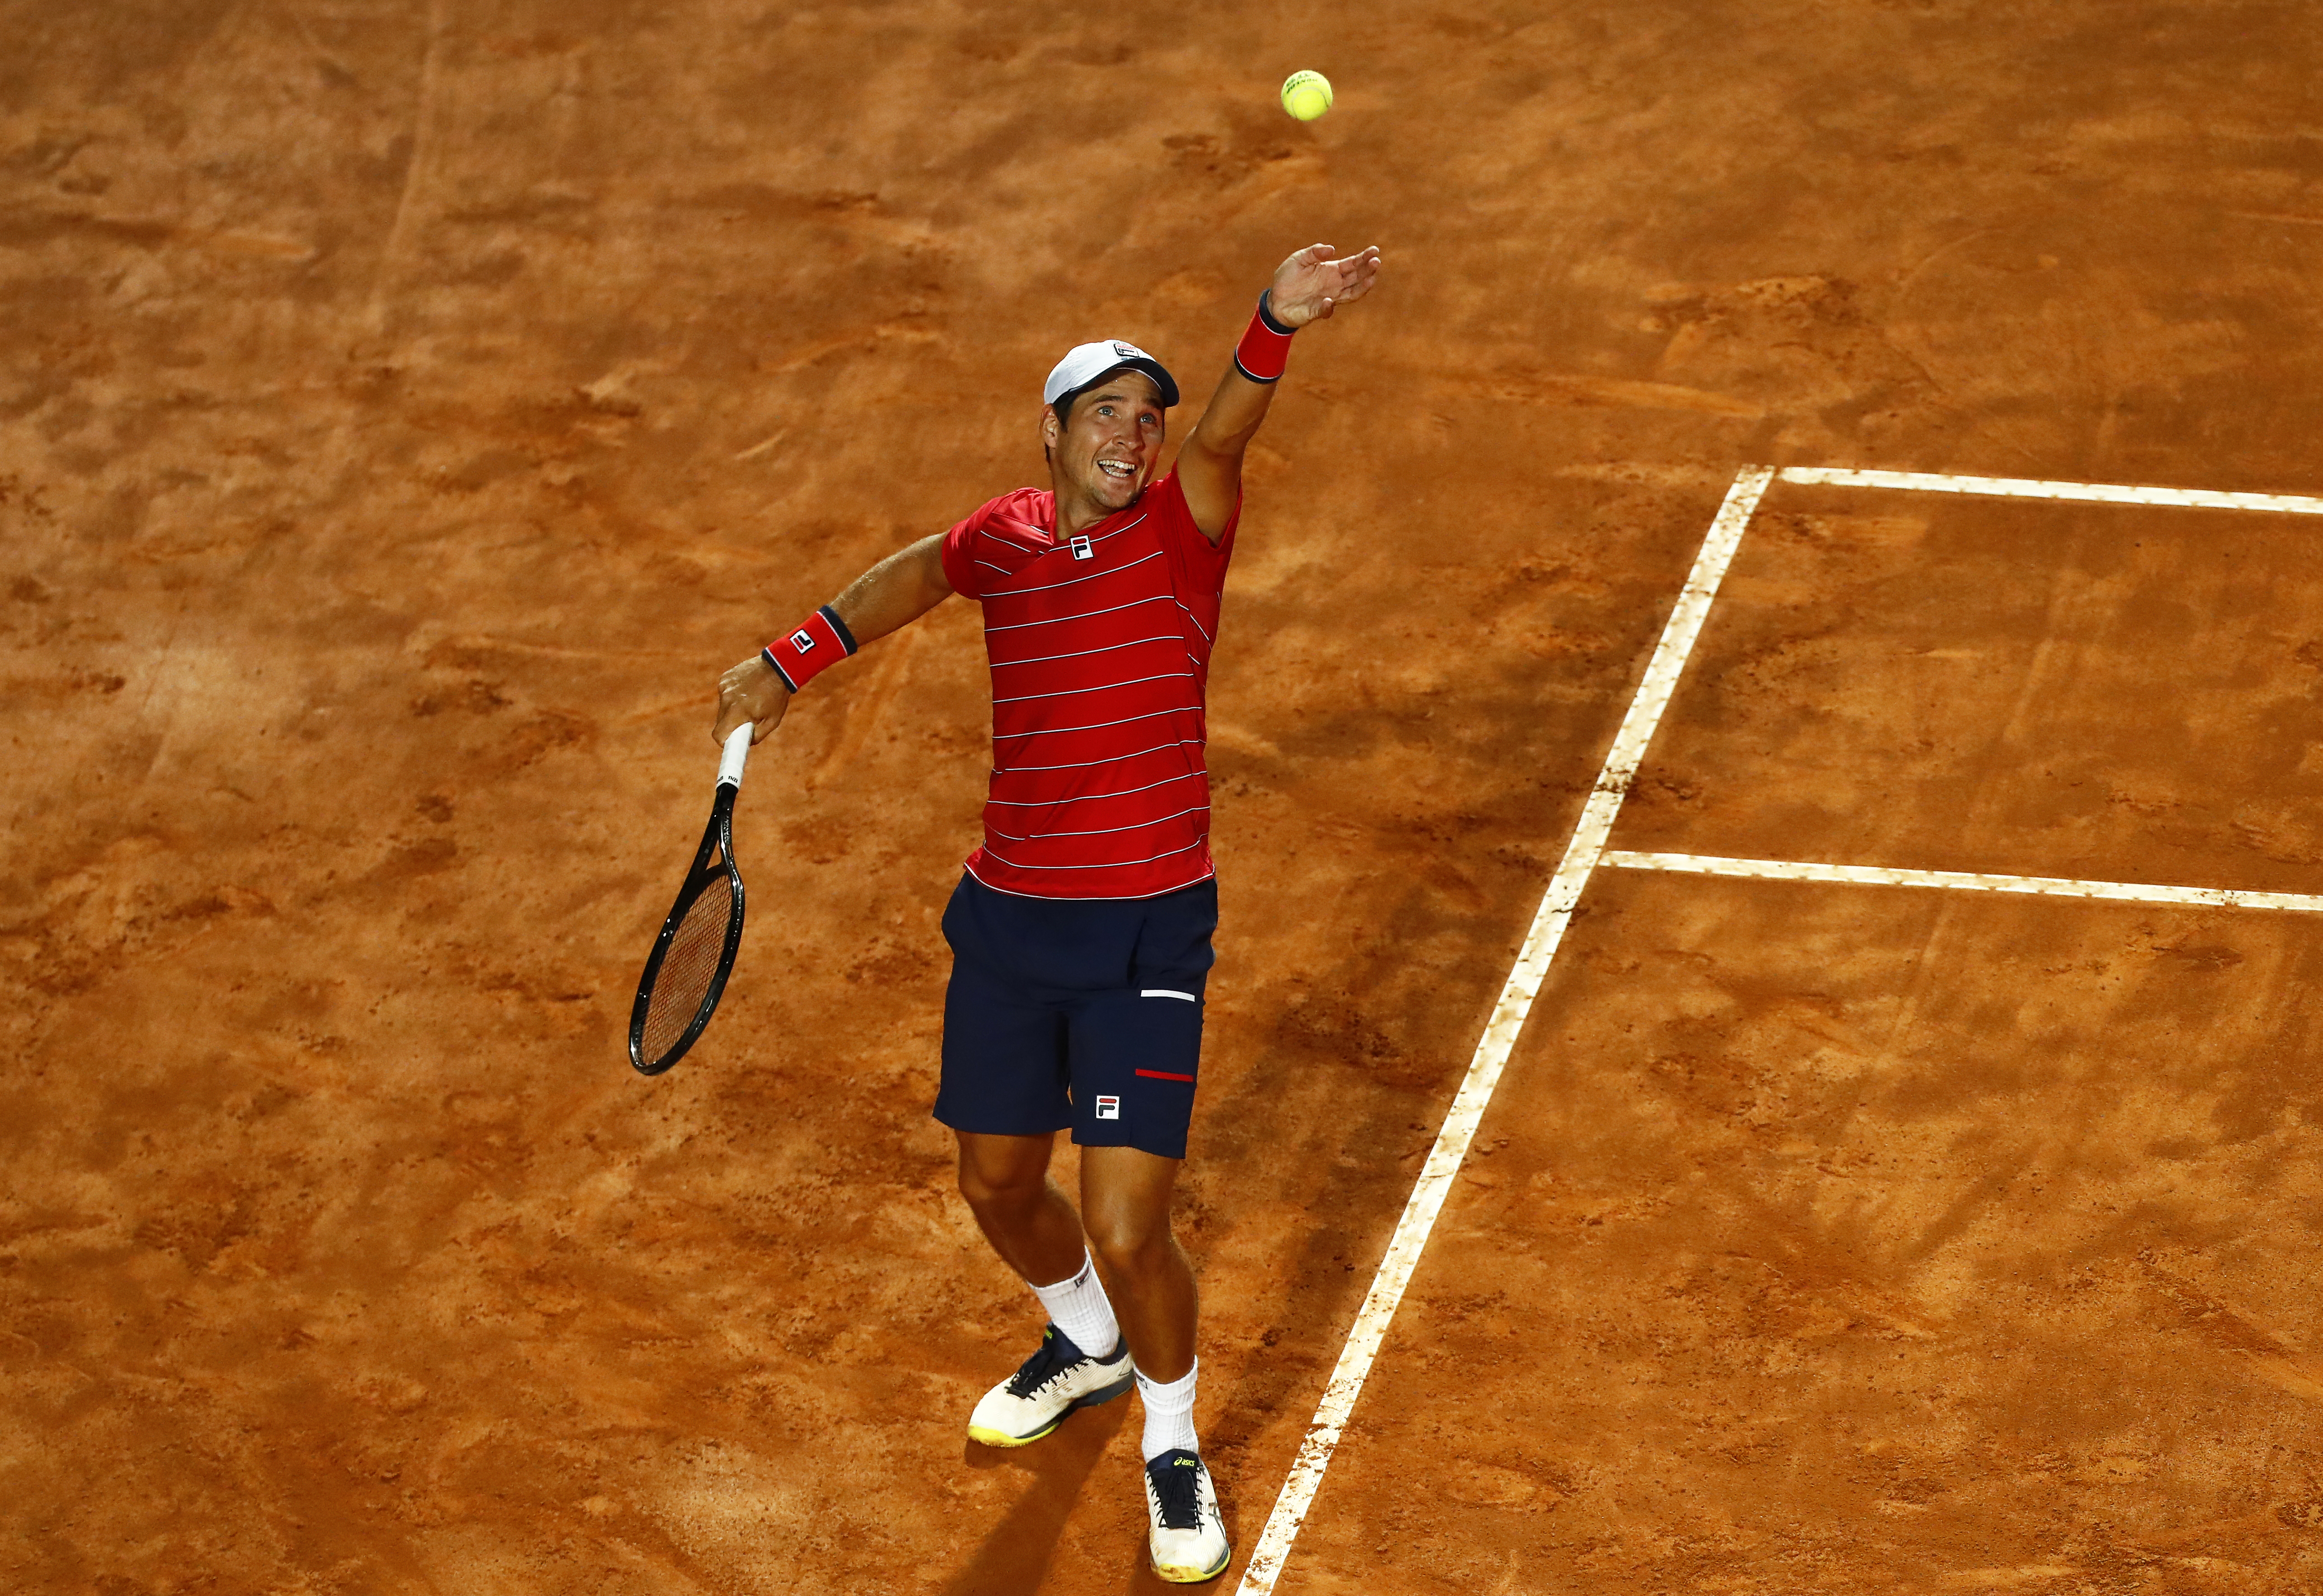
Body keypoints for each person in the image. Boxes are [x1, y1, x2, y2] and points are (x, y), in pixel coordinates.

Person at [711, 241, 1382, 1583]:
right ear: (1055, 433)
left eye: (1148, 413)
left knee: (1131, 1226)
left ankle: (1171, 1438)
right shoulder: (1000, 540)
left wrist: (1271, 323)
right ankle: (1085, 1344)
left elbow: (1233, 423)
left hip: (1145, 930)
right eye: (1107, 414)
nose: (1133, 435)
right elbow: (915, 573)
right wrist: (793, 658)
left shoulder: (1186, 527)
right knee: (997, 1183)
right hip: (1010, 924)